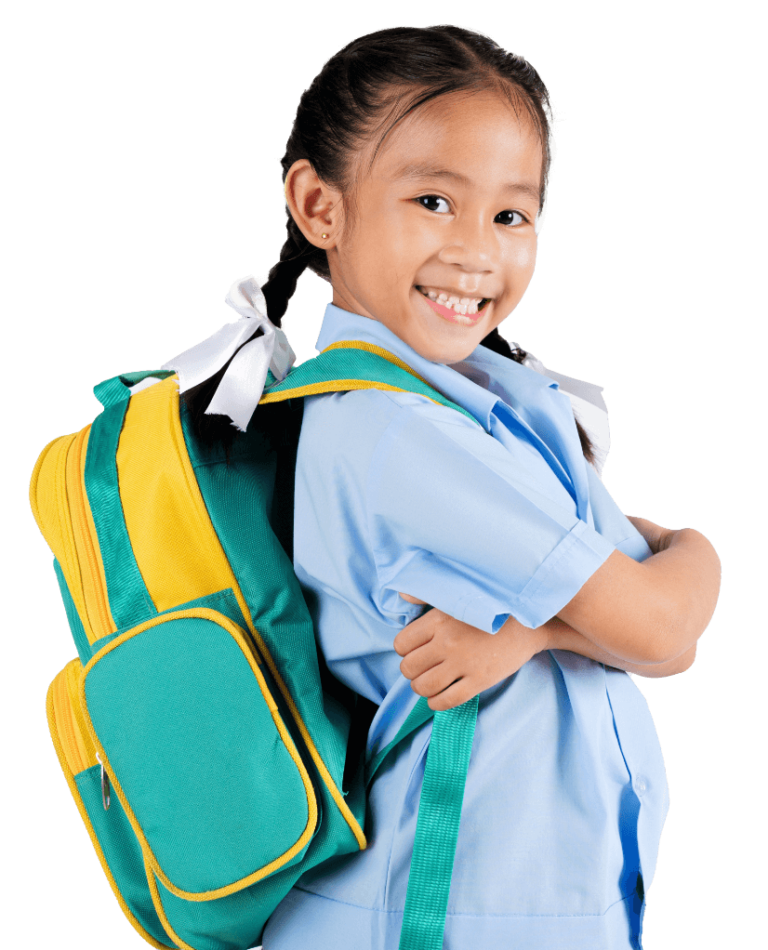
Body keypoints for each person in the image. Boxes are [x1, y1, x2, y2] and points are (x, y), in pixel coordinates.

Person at [179, 25, 721, 950]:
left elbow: (648, 625)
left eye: (511, 216)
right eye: (434, 200)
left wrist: (537, 627)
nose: (477, 251)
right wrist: (691, 549)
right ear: (319, 205)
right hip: (440, 918)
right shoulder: (402, 434)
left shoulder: (488, 403)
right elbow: (664, 628)